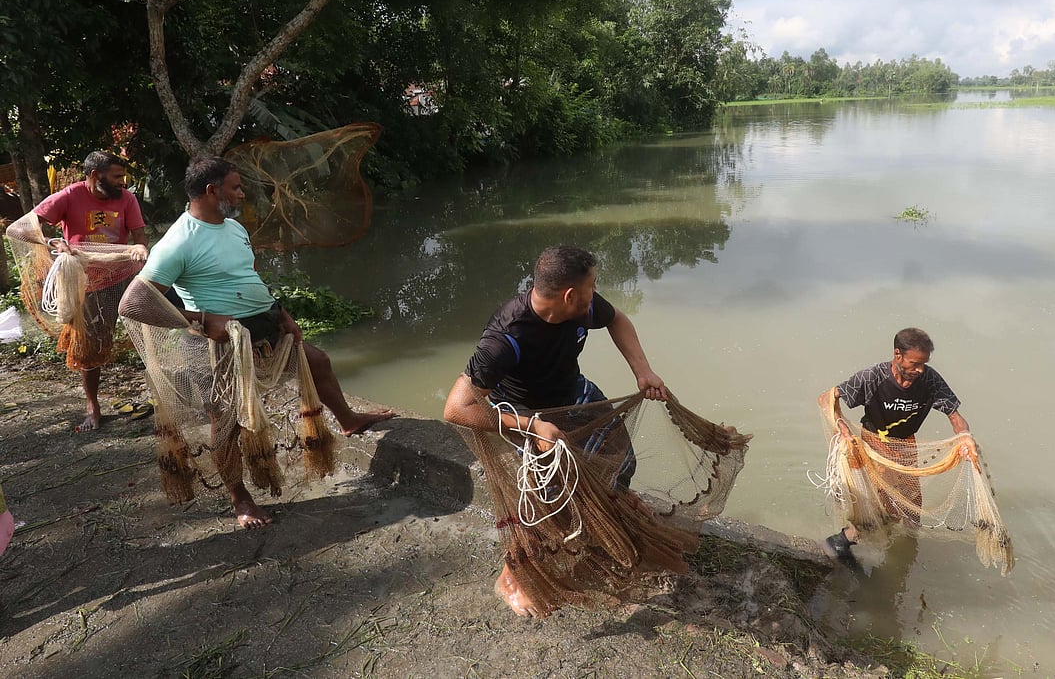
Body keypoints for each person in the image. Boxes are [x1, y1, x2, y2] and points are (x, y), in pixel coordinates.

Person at [118, 156, 393, 528]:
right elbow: (134, 303)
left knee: (319, 363)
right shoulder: (179, 241)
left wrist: (280, 314)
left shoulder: (232, 227)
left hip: (263, 327)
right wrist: (202, 319)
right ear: (212, 191)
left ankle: (348, 420)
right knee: (226, 421)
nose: (242, 192)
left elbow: (247, 277)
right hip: (219, 345)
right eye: (235, 187)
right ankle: (240, 499)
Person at [442, 245, 667, 616]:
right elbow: (456, 407)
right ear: (569, 294)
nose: (596, 293)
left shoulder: (582, 307)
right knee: (546, 502)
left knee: (619, 459)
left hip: (572, 395)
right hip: (524, 414)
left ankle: (612, 508)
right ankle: (510, 577)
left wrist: (642, 371)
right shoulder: (506, 338)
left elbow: (618, 320)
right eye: (592, 286)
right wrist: (531, 427)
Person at [6, 151, 148, 431]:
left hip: (120, 279)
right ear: (95, 176)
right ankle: (93, 405)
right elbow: (20, 229)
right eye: (117, 176)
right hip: (84, 284)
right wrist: (51, 243)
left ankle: (157, 390)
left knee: (139, 333)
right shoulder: (69, 196)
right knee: (88, 348)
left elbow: (139, 237)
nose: (122, 182)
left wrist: (141, 249)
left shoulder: (126, 199)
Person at [817, 327, 971, 564]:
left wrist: (965, 438)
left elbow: (955, 416)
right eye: (914, 364)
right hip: (873, 443)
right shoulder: (872, 377)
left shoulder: (929, 379)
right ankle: (843, 541)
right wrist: (841, 425)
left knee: (912, 505)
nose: (919, 370)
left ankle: (908, 552)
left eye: (923, 364)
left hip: (906, 445)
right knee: (885, 503)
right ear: (897, 355)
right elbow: (827, 398)